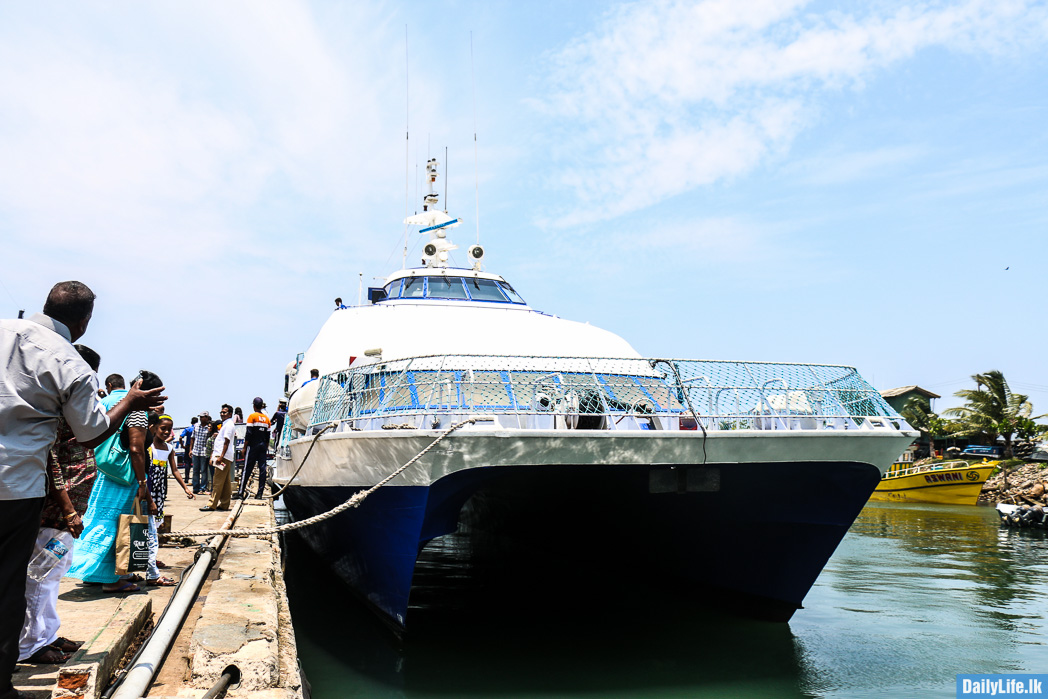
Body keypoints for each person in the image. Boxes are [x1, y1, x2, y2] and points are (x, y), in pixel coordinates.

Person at [0, 281, 165, 699]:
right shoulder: (67, 361)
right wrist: (130, 400)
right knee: (7, 585)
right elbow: (90, 432)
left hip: (23, 483)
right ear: (85, 320)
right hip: (15, 486)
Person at [18, 344, 101, 666]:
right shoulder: (57, 406)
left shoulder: (73, 404)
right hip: (56, 510)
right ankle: (31, 645)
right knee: (42, 575)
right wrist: (67, 508)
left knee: (54, 572)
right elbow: (51, 459)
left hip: (68, 509)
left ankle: (47, 634)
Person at [66, 371, 165, 594]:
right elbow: (136, 449)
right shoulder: (139, 411)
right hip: (125, 476)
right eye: (157, 394)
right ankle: (113, 580)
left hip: (104, 471)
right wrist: (142, 483)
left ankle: (91, 573)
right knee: (118, 525)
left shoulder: (111, 401)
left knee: (97, 519)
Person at [144, 415, 193, 586]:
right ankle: (148, 561)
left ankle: (152, 558)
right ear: (155, 428)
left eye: (168, 429)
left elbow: (175, 470)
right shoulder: (148, 446)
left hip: (160, 492)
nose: (165, 432)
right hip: (147, 490)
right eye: (162, 428)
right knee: (146, 527)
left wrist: (185, 488)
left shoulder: (170, 449)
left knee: (155, 527)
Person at [201, 405, 235, 512]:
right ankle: (225, 504)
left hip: (223, 456)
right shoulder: (225, 424)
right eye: (221, 412)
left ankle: (212, 504)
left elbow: (226, 441)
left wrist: (221, 456)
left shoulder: (229, 425)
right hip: (224, 456)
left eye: (224, 412)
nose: (222, 414)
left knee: (217, 480)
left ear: (230, 414)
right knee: (225, 482)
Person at [236, 398, 271, 500]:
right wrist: (266, 447)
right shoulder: (266, 419)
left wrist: (244, 447)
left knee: (247, 469)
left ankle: (241, 492)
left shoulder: (252, 417)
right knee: (263, 469)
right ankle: (259, 493)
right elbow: (268, 436)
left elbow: (249, 433)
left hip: (253, 446)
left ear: (254, 406)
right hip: (263, 446)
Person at [189, 412, 211, 494]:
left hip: (204, 452)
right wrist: (190, 450)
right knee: (195, 470)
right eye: (200, 417)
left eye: (202, 417)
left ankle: (203, 488)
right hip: (196, 451)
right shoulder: (196, 426)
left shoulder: (208, 428)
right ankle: (195, 488)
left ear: (206, 418)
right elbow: (192, 438)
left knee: (204, 471)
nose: (201, 419)